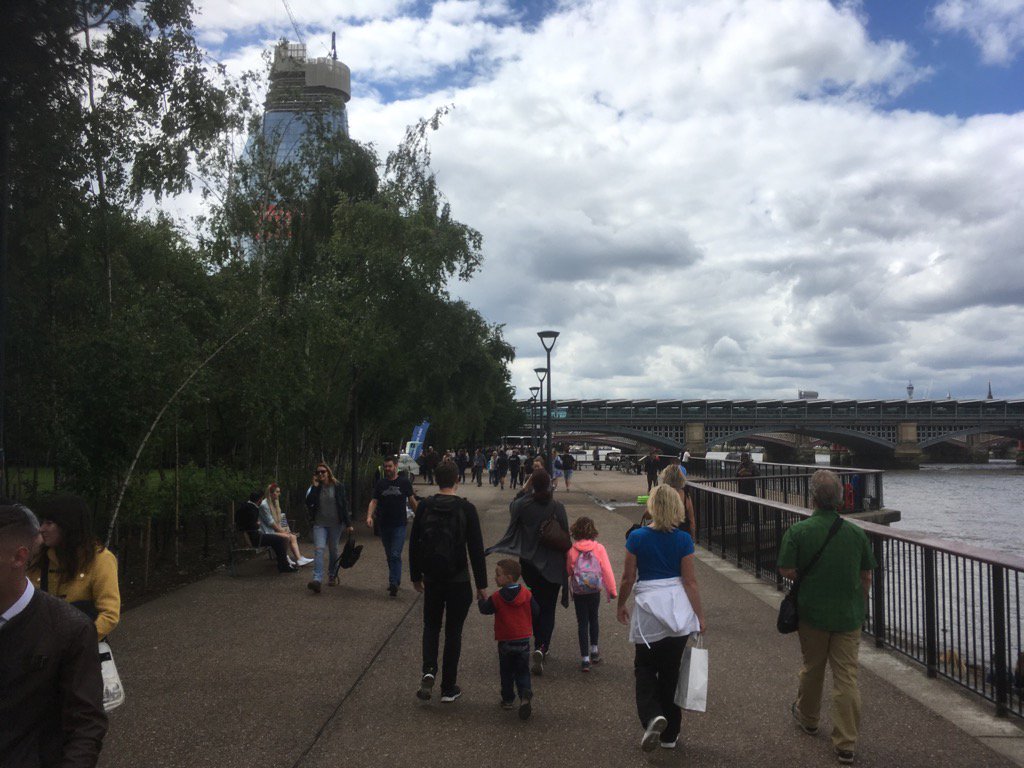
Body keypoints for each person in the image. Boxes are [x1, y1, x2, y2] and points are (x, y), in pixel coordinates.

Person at [777, 470, 876, 766]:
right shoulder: (856, 533)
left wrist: (807, 578)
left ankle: (808, 718)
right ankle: (846, 742)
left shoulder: (799, 532)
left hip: (812, 613)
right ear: (840, 500)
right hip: (848, 615)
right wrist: (861, 604)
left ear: (813, 499)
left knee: (812, 667)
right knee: (846, 677)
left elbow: (785, 568)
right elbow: (866, 575)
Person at [1, 503, 108, 767]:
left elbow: (85, 725)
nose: (45, 529)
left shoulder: (69, 630)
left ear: (19, 557)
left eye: (52, 522)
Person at [617, 485, 706, 753]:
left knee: (644, 667)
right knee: (671, 672)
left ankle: (652, 715)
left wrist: (621, 604)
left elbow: (628, 578)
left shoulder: (637, 537)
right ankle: (670, 735)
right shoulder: (683, 540)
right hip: (678, 612)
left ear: (652, 507)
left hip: (649, 611)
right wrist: (699, 616)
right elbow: (690, 581)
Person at [410, 460, 488, 703]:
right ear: (457, 479)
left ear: (436, 479)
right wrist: (481, 584)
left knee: (431, 626)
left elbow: (415, 542)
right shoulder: (466, 509)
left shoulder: (425, 506)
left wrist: (415, 575)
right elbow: (476, 549)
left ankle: (428, 670)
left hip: (433, 577)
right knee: (454, 632)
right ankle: (448, 687)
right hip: (458, 579)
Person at [489, 469, 569, 676]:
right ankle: (542, 646)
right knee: (549, 608)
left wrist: (525, 488)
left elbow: (512, 505)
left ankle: (537, 640)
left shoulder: (523, 506)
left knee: (535, 605)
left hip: (530, 564)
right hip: (552, 565)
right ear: (549, 484)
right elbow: (565, 536)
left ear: (533, 484)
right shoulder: (558, 507)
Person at [29, 494, 121, 641]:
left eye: (49, 523)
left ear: (68, 525)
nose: (41, 529)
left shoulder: (101, 560)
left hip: (81, 648)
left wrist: (77, 643)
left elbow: (109, 615)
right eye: (42, 522)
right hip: (43, 648)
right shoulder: (40, 559)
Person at [478, 558, 539, 720]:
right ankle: (524, 693)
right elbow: (536, 611)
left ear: (509, 577)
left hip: (506, 640)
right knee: (522, 670)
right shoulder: (526, 594)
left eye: (498, 574)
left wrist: (481, 599)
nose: (495, 577)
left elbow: (485, 609)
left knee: (506, 671)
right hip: (523, 639)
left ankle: (508, 699)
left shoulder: (497, 597)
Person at [567, 516, 617, 672]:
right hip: (594, 590)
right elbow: (606, 570)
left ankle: (585, 659)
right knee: (593, 618)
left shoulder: (572, 550)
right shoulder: (599, 548)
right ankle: (594, 651)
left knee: (582, 622)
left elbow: (569, 570)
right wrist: (612, 590)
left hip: (579, 591)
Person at [366, 455, 417, 597]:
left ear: (396, 466)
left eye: (390, 466)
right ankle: (395, 579)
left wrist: (419, 515)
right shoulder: (380, 484)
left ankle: (393, 582)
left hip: (399, 524)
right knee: (390, 555)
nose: (387, 469)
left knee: (395, 554)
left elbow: (412, 500)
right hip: (384, 524)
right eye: (385, 466)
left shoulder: (404, 482)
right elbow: (374, 501)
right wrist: (369, 516)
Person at [304, 463, 353, 594]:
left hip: (335, 524)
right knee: (319, 549)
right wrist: (314, 486)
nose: (320, 474)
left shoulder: (337, 486)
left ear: (328, 472)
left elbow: (343, 504)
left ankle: (332, 574)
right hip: (319, 524)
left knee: (333, 550)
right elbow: (309, 502)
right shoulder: (315, 488)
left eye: (323, 472)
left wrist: (348, 524)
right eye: (318, 472)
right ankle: (317, 579)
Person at [260, 483, 312, 568]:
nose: (279, 494)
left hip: (274, 530)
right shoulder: (264, 505)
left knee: (293, 537)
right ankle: (284, 557)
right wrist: (284, 532)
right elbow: (271, 523)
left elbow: (278, 520)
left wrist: (285, 531)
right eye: (277, 492)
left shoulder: (275, 502)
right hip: (267, 532)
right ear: (271, 493)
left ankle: (299, 559)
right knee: (286, 537)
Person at [660, 464, 698, 539]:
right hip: (683, 535)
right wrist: (692, 538)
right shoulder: (686, 495)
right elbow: (692, 520)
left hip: (665, 534)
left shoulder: (662, 494)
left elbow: (649, 515)